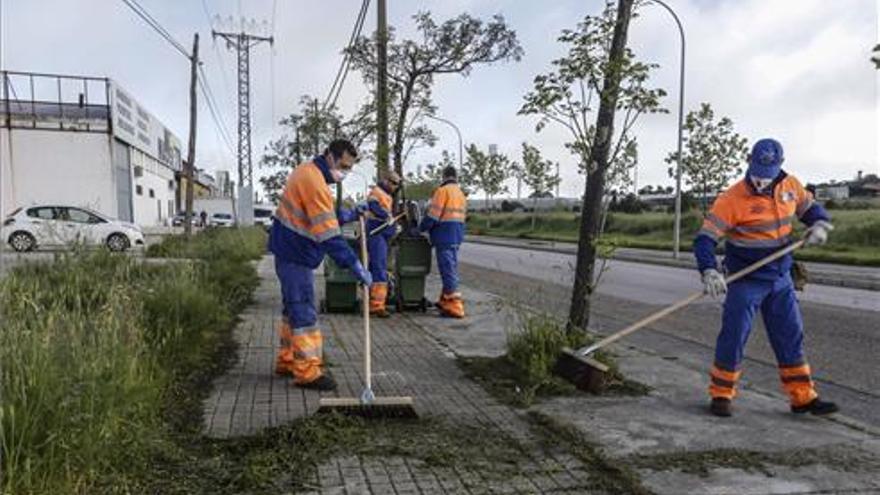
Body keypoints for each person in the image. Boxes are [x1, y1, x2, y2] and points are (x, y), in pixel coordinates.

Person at [694, 138, 837, 417]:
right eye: (757, 171)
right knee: (734, 335)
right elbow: (704, 240)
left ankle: (802, 398)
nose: (761, 181)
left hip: (780, 277)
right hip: (746, 279)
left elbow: (811, 210)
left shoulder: (791, 186)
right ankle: (722, 394)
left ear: (780, 166)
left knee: (790, 336)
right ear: (749, 161)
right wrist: (709, 270)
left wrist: (819, 224)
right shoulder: (731, 199)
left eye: (767, 174)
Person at [269, 139, 372, 391]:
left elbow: (320, 215)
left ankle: (288, 360)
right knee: (303, 311)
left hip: (290, 251)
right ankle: (307, 372)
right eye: (343, 166)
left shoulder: (308, 172)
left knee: (291, 310)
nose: (344, 172)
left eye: (349, 168)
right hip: (296, 255)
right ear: (330, 157)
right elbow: (329, 235)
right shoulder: (314, 182)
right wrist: (355, 265)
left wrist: (348, 214)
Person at [419, 166, 467, 318]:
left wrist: (421, 228)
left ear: (444, 176)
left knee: (447, 271)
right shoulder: (460, 194)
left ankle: (455, 307)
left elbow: (433, 216)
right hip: (456, 235)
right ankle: (445, 300)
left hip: (443, 235)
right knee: (450, 267)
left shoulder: (442, 191)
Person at [364, 171, 402, 317]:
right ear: (385, 180)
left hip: (381, 236)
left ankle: (376, 302)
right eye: (392, 183)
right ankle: (376, 305)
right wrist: (386, 216)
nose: (394, 186)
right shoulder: (377, 192)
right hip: (376, 234)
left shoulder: (386, 195)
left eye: (396, 184)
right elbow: (373, 206)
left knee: (379, 267)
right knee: (379, 268)